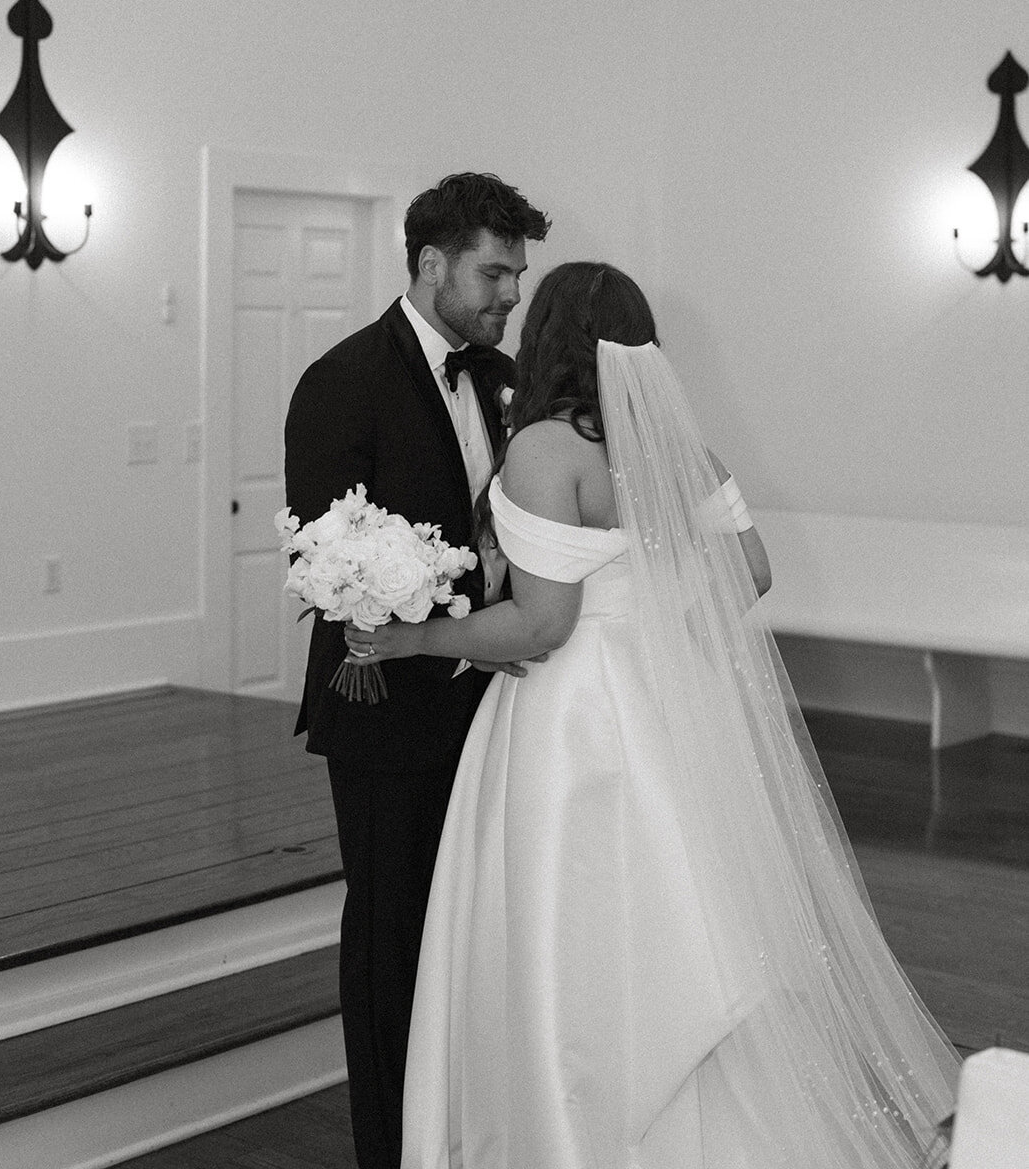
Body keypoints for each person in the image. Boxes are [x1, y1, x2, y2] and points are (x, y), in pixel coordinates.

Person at [363, 261, 961, 1168]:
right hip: (662, 705)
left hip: (568, 719)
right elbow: (752, 572)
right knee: (680, 917)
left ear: (549, 339)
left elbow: (542, 620)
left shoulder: (543, 450)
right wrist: (661, 623)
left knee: (571, 930)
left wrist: (407, 644)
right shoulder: (683, 449)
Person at [283, 170, 550, 1169]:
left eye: (518, 275)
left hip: (492, 699)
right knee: (389, 938)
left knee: (472, 928)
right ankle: (387, 1147)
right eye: (493, 272)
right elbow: (320, 552)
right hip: (385, 710)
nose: (509, 293)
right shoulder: (341, 379)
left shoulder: (500, 375)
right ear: (431, 263)